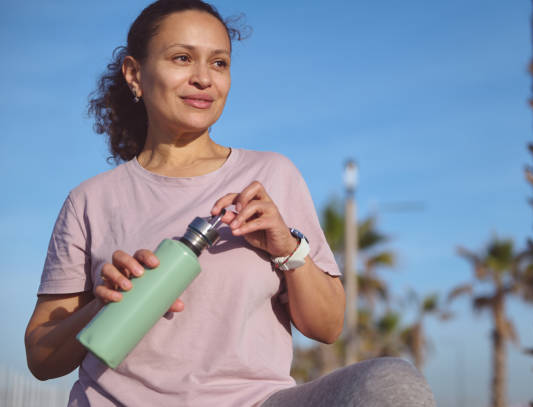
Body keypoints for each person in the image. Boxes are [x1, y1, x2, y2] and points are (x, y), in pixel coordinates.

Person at [24, 1, 436, 406]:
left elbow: (328, 327)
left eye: (219, 63)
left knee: (391, 383)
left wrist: (289, 250)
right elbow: (41, 358)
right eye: (182, 58)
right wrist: (102, 301)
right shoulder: (89, 200)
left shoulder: (272, 175)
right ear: (135, 74)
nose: (204, 78)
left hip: (255, 402)